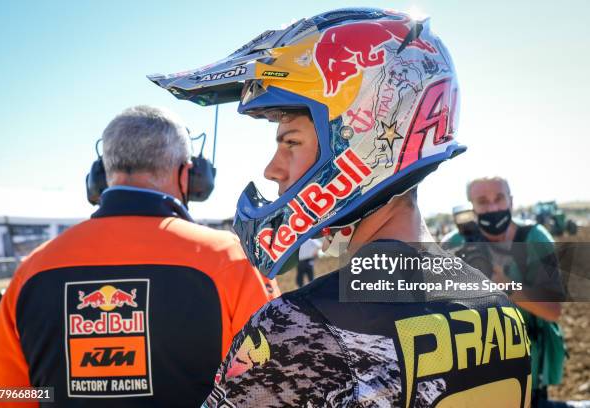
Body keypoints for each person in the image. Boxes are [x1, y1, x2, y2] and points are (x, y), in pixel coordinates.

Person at [150, 8, 532, 407]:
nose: (273, 169)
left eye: (291, 142)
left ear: (363, 139)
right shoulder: (497, 306)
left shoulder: (302, 326)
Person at [0, 105, 279, 407]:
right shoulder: (230, 260)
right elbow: (273, 383)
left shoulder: (32, 270)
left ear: (100, 175)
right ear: (189, 175)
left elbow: (6, 395)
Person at [442, 176, 567, 408]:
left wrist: (506, 286)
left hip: (526, 368)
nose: (492, 207)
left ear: (510, 201)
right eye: (482, 201)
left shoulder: (536, 239)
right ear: (471, 207)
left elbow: (553, 310)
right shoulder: (454, 244)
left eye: (499, 199)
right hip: (473, 371)